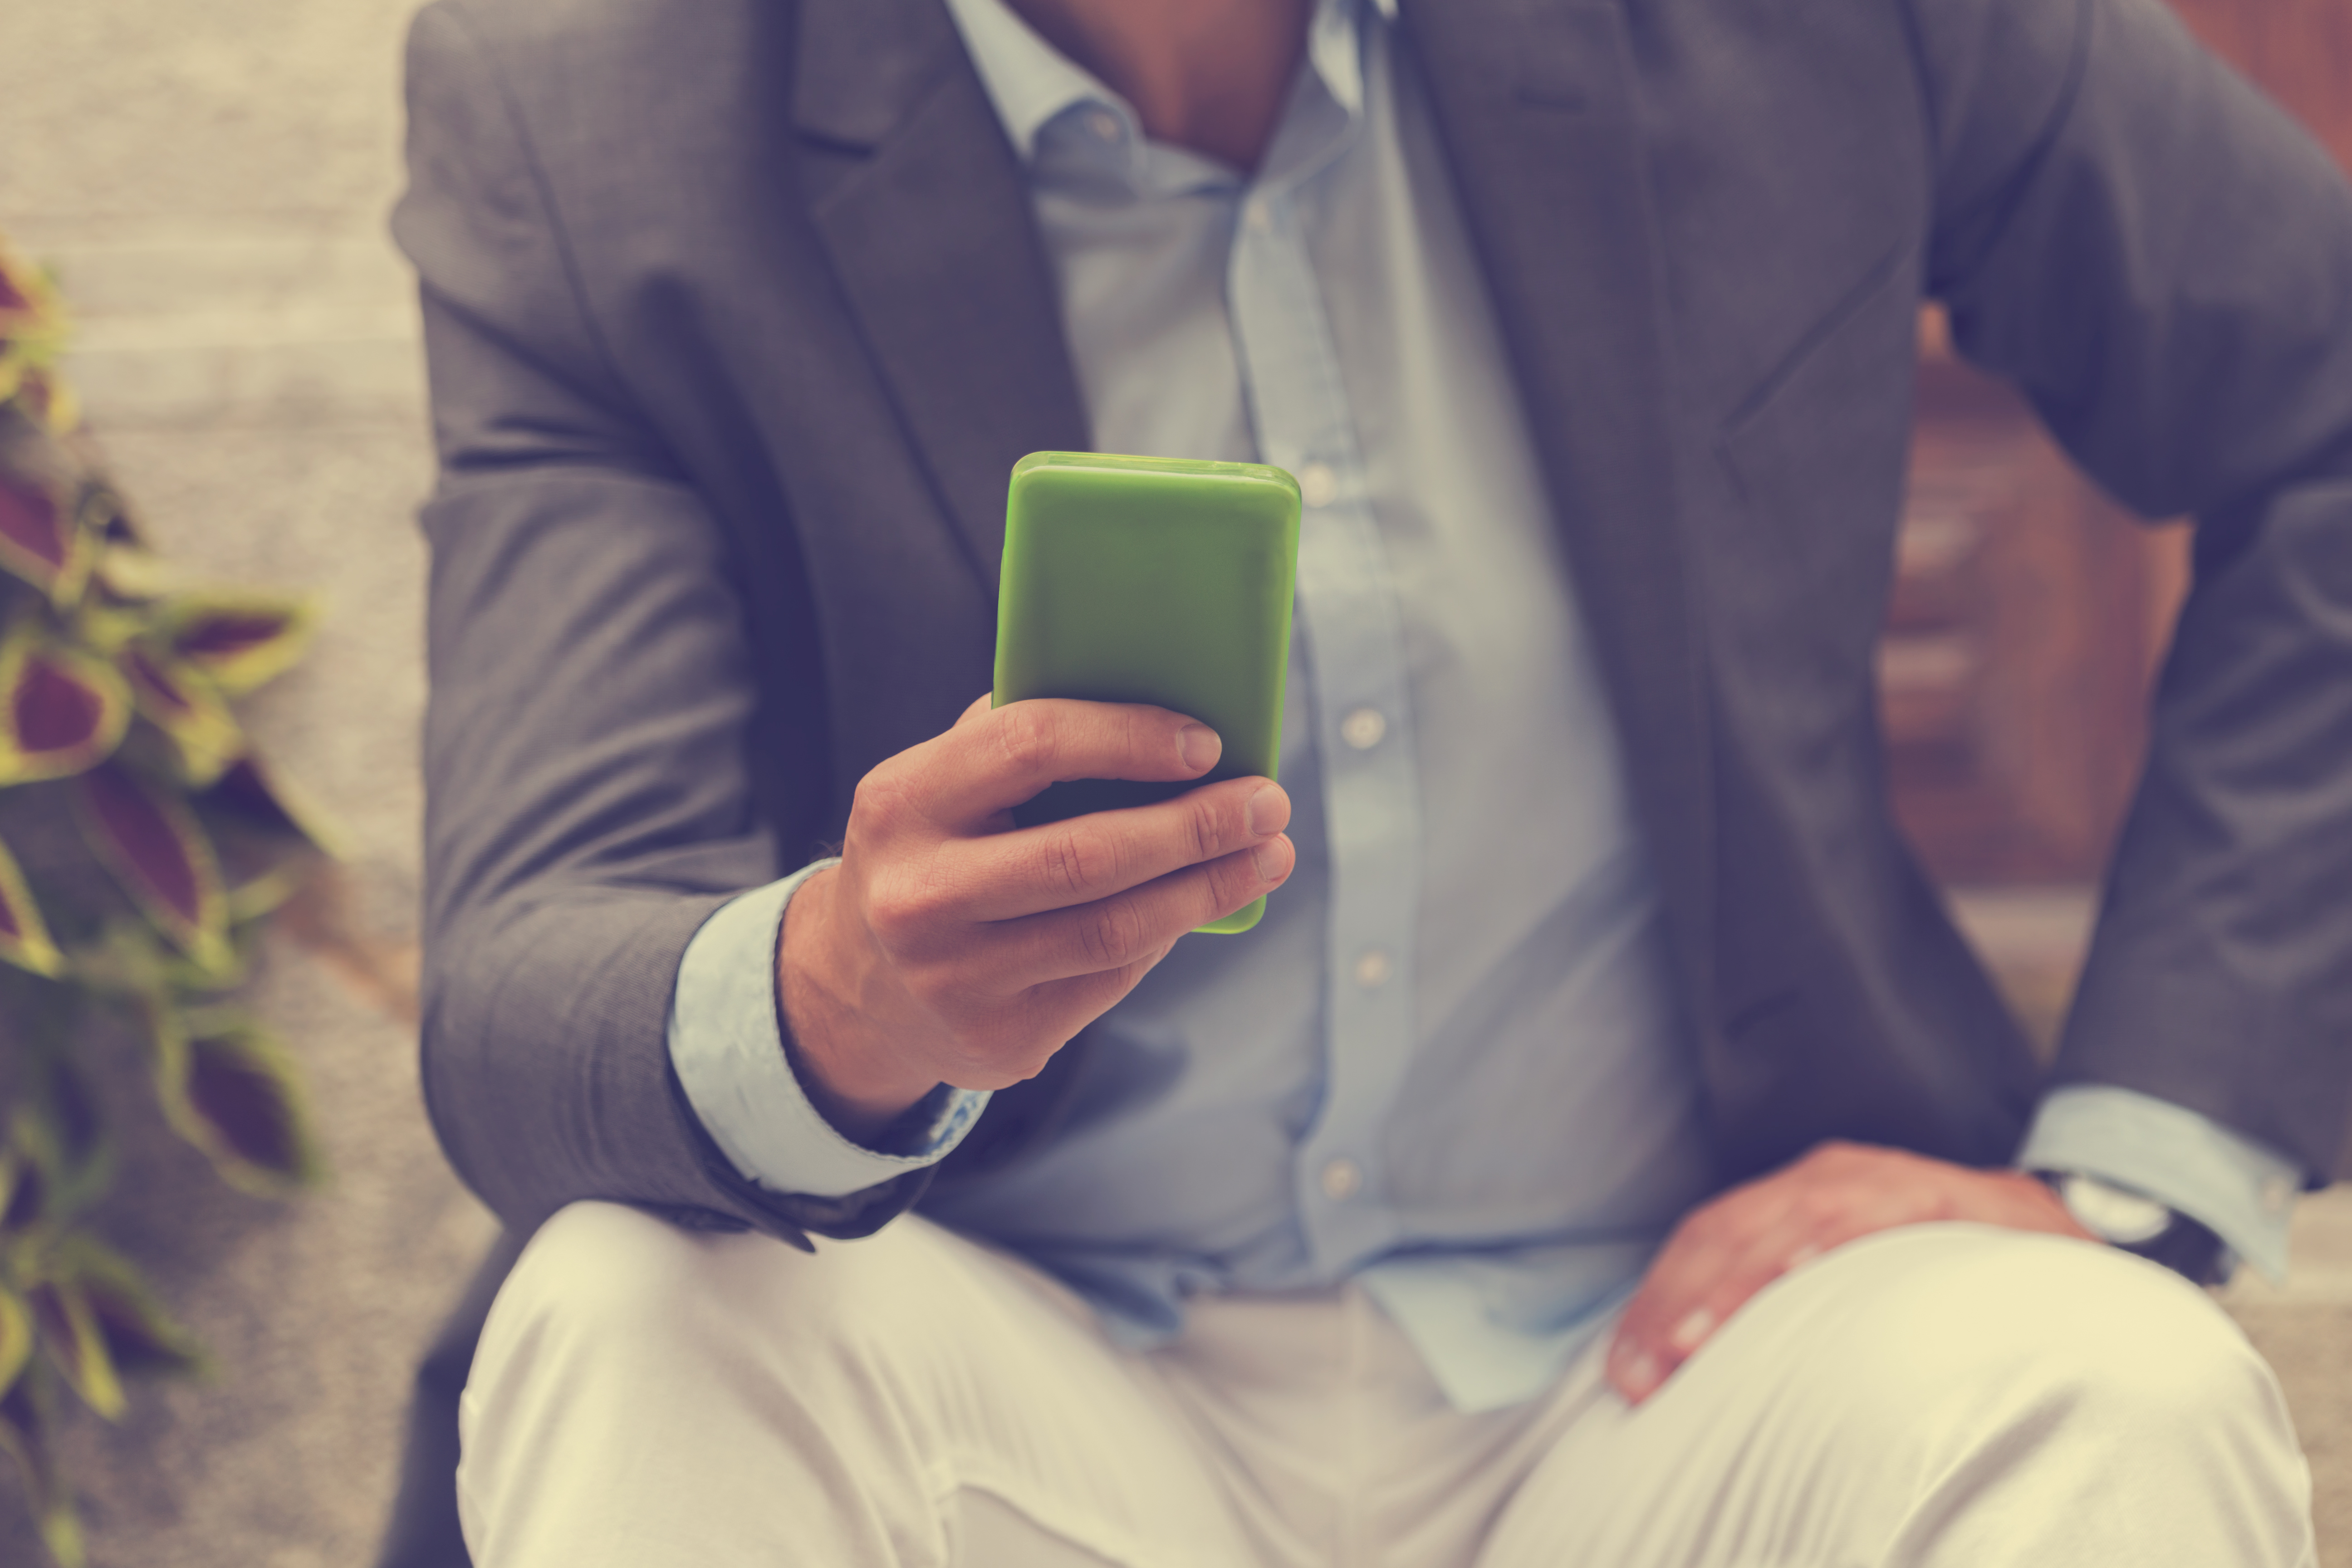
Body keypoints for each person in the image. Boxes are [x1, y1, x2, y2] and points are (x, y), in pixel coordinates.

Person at [380, 0, 2352, 1561]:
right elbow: (531, 960)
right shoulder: (592, 110)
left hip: (1679, 1365)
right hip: (1019, 1366)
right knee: (629, 1315)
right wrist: (837, 994)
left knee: (2117, 1391)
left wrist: (2134, 1163)